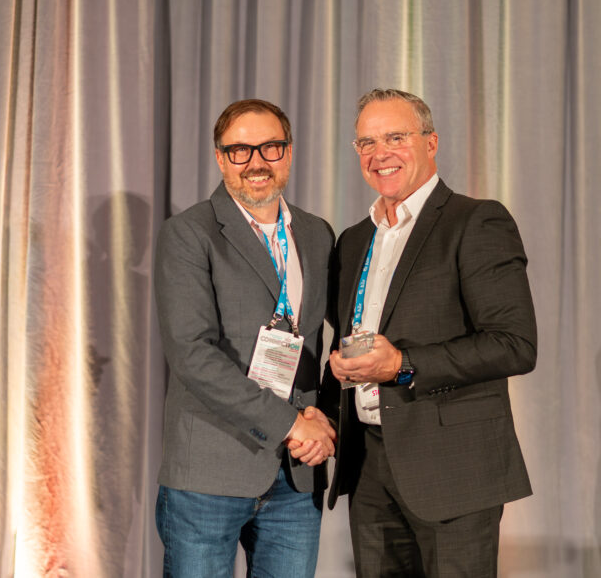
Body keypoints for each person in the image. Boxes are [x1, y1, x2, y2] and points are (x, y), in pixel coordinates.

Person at [320, 88, 538, 576]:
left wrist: (402, 365)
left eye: (396, 137)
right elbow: (350, 340)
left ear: (431, 142)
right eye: (367, 142)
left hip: (453, 468)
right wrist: (336, 382)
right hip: (369, 466)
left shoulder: (475, 221)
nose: (380, 154)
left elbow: (514, 345)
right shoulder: (354, 240)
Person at [153, 99, 337, 577]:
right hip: (209, 473)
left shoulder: (317, 233)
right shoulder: (189, 233)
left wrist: (324, 422)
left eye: (270, 147)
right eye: (240, 150)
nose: (256, 162)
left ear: (288, 152)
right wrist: (291, 424)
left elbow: (326, 345)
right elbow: (193, 355)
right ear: (220, 158)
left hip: (297, 475)